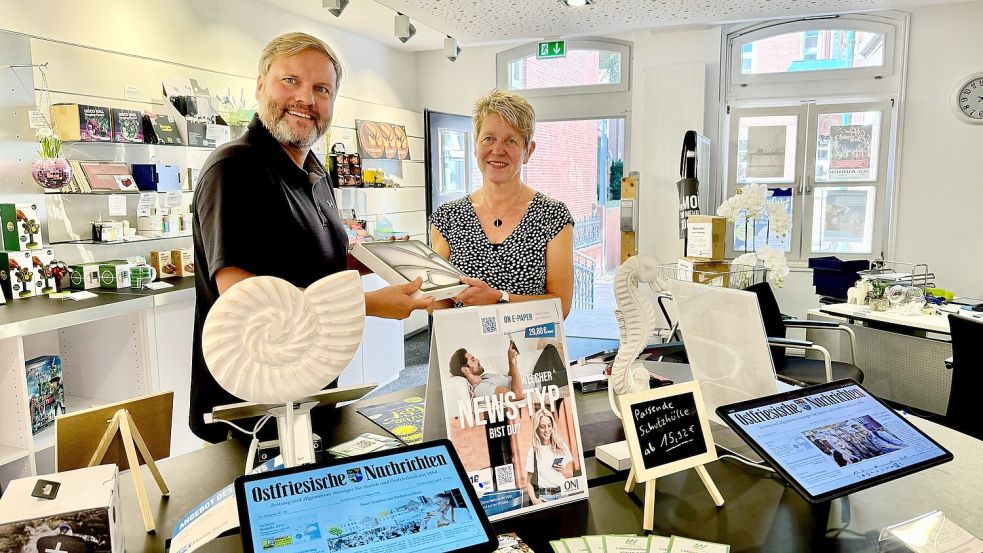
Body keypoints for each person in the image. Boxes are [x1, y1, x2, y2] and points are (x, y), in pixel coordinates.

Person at [191, 32, 432, 443]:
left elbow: (316, 258)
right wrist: (368, 304)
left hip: (310, 393)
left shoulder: (316, 173)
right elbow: (245, 303)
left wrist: (393, 261)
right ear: (260, 84)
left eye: (321, 89)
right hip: (254, 409)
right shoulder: (234, 169)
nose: (306, 98)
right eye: (291, 81)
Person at [429, 89, 574, 318]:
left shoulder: (552, 215)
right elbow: (439, 305)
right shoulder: (447, 217)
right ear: (475, 146)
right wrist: (418, 288)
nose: (497, 150)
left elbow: (560, 305)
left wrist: (499, 298)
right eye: (488, 138)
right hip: (464, 349)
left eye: (511, 141)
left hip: (528, 349)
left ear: (528, 151)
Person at [524, 408, 574, 505]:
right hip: (545, 499)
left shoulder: (561, 446)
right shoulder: (533, 451)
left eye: (549, 426)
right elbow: (528, 483)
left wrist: (563, 471)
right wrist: (534, 500)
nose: (547, 430)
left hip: (564, 495)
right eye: (542, 427)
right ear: (537, 428)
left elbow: (570, 475)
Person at [448, 342, 525, 400]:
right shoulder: (481, 389)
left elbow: (511, 379)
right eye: (473, 360)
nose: (478, 360)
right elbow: (518, 395)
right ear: (465, 370)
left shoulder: (485, 377)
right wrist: (511, 362)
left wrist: (512, 359)